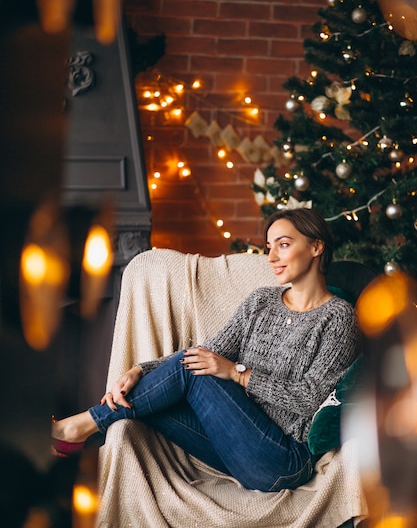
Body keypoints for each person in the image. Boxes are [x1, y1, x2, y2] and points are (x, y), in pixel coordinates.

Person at [52, 208, 360, 492]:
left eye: (283, 244)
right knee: (151, 402)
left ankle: (78, 428)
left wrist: (237, 373)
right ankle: (90, 443)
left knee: (194, 373)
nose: (271, 257)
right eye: (268, 247)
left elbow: (309, 399)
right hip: (232, 445)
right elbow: (207, 352)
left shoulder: (338, 317)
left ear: (316, 247)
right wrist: (139, 370)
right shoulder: (261, 301)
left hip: (282, 460)